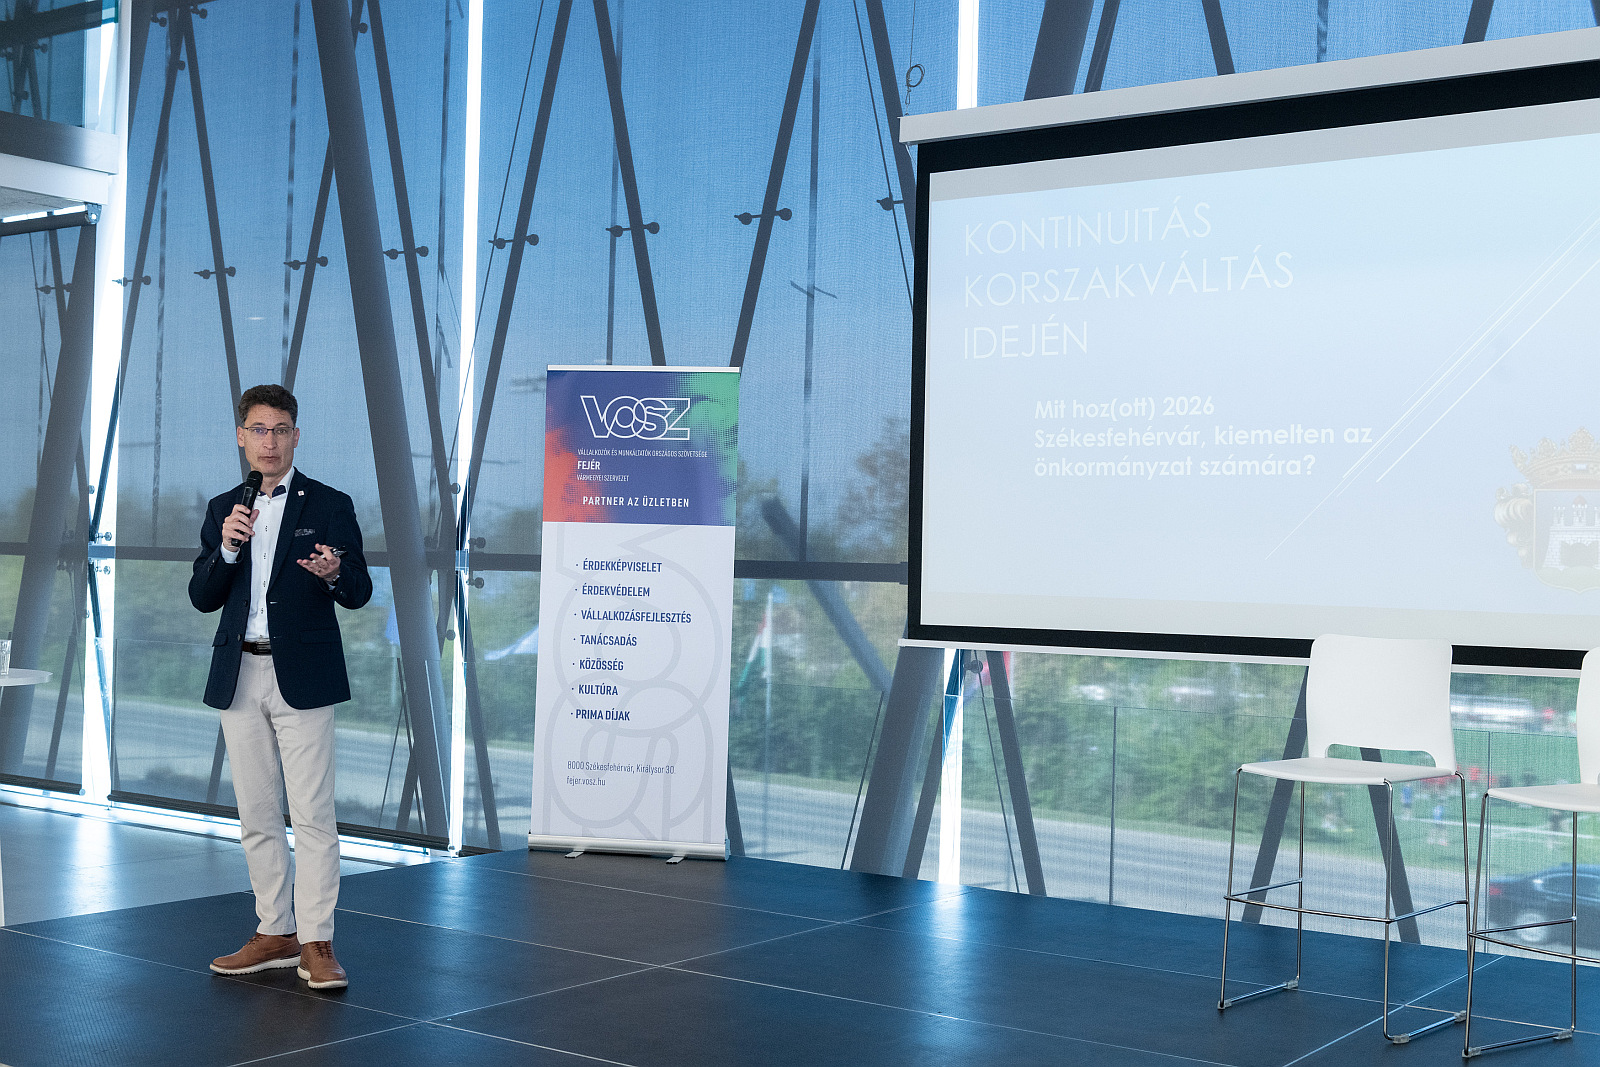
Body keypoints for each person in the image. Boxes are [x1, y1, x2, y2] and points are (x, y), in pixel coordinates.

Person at [189, 383, 371, 990]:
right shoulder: (224, 509)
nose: (270, 442)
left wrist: (335, 572)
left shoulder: (331, 504)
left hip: (304, 675)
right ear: (242, 437)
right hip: (239, 675)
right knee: (257, 814)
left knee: (313, 815)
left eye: (281, 430)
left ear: (297, 436)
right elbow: (203, 596)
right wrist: (226, 547)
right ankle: (275, 931)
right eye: (259, 430)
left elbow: (359, 591)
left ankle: (317, 941)